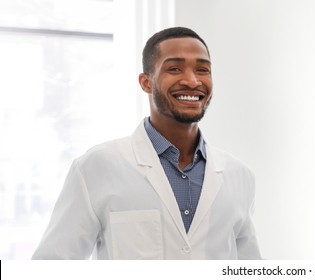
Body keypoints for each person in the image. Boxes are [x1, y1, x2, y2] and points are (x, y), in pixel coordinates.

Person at [32, 27, 262, 260]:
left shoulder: (240, 176)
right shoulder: (97, 167)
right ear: (146, 83)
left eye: (203, 70)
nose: (193, 81)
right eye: (174, 68)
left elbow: (251, 268)